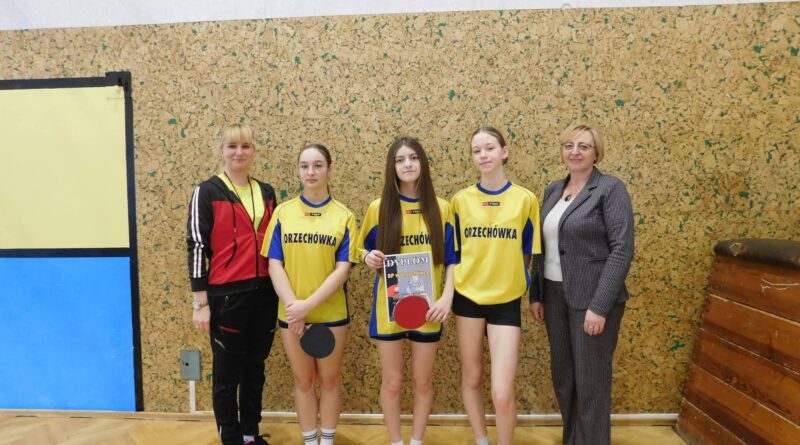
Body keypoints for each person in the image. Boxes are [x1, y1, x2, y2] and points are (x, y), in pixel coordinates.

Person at [529, 123, 634, 445]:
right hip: (554, 296)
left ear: (596, 153)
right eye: (569, 145)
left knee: (591, 382)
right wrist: (536, 294)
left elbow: (621, 250)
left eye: (584, 146)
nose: (575, 152)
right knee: (564, 379)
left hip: (592, 300)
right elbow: (541, 245)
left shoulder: (609, 189)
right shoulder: (553, 190)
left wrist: (599, 307)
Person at [357, 137, 458, 445]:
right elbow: (361, 250)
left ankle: (416, 441)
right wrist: (367, 256)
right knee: (392, 382)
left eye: (413, 158)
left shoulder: (441, 208)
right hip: (389, 310)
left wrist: (446, 298)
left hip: (429, 309)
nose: (407, 164)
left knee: (422, 381)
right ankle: (395, 441)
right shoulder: (379, 208)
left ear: (422, 163)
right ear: (392, 167)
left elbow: (453, 260)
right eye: (400, 160)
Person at [187, 123, 279, 445]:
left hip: (264, 294)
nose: (239, 152)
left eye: (245, 146)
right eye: (232, 146)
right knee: (227, 373)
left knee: (255, 368)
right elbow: (197, 247)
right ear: (221, 151)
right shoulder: (207, 191)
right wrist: (200, 303)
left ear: (253, 151)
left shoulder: (267, 192)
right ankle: (230, 437)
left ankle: (250, 434)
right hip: (226, 296)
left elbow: (275, 246)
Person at [262, 144, 357, 445]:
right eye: (305, 166)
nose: (311, 172)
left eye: (317, 165)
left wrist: (308, 306)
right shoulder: (283, 213)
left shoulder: (344, 216)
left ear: (329, 169)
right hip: (291, 314)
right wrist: (295, 307)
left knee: (329, 380)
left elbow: (343, 270)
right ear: (298, 171)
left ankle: (326, 441)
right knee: (303, 381)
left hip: (331, 315)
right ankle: (309, 440)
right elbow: (274, 264)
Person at [451, 127, 541, 445]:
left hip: (506, 302)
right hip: (467, 298)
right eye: (477, 150)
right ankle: (481, 440)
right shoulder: (460, 201)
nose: (483, 155)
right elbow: (454, 255)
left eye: (489, 148)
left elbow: (529, 253)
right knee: (472, 376)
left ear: (504, 152)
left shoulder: (525, 200)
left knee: (502, 392)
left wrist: (515, 280)